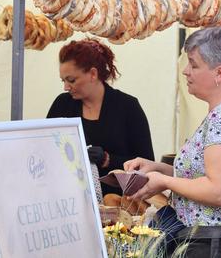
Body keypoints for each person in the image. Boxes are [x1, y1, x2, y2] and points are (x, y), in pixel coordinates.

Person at [125, 27, 221, 257]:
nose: (185, 71)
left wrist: (165, 181)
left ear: (219, 73)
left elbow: (220, 191)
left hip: (219, 245)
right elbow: (206, 174)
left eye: (193, 64)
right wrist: (158, 168)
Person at [46, 38, 154, 195]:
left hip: (119, 204)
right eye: (63, 81)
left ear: (93, 74)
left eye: (71, 80)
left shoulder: (127, 107)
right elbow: (46, 150)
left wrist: (107, 159)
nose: (66, 87)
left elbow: (146, 163)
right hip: (69, 200)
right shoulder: (62, 104)